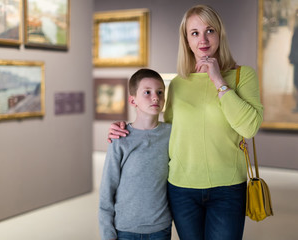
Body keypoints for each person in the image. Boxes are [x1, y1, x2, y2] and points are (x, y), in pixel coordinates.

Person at [107, 5, 263, 240]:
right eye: (194, 33)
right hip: (182, 190)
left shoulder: (243, 75)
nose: (202, 39)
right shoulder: (178, 83)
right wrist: (126, 128)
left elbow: (249, 128)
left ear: (220, 34)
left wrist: (219, 80)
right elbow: (167, 130)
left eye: (209, 30)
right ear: (186, 40)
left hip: (227, 188)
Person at [99, 68, 172, 240]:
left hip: (160, 228)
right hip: (125, 229)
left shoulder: (171, 133)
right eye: (147, 92)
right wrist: (107, 234)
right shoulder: (120, 138)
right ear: (133, 100)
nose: (155, 97)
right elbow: (107, 188)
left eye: (160, 92)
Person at [289, 9, 298, 112]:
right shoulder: (296, 28)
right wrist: (291, 56)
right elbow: (293, 44)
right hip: (296, 60)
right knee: (296, 83)